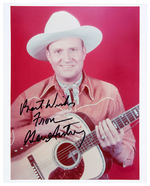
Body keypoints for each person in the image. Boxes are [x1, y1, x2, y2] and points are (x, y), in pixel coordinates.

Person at [11, 11, 136, 179]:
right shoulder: (30, 98)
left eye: (73, 49)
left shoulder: (109, 93)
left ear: (84, 51)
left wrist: (115, 147)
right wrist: (44, 128)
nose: (67, 58)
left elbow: (129, 156)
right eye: (58, 51)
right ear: (48, 55)